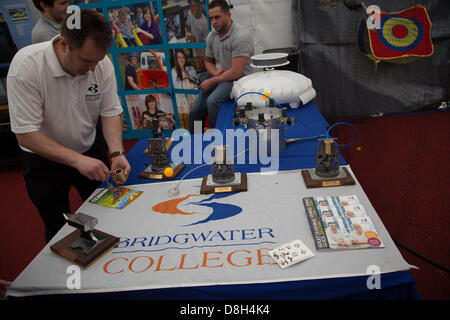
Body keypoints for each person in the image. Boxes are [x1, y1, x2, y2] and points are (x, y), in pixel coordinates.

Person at [7, 9, 131, 243]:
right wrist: (76, 160)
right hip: (44, 160)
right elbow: (26, 135)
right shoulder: (27, 66)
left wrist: (116, 152)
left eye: (98, 60)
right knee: (58, 229)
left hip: (89, 148)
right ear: (63, 44)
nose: (94, 68)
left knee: (108, 213)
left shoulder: (100, 63)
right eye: (86, 60)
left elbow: (110, 111)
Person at [188, 0, 254, 133]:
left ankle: (216, 138)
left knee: (212, 102)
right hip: (220, 78)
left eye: (217, 17)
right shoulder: (212, 35)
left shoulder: (241, 35)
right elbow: (208, 60)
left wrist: (212, 80)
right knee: (195, 111)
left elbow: (235, 72)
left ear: (228, 15)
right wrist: (215, 73)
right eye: (211, 18)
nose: (213, 21)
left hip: (237, 80)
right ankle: (196, 138)